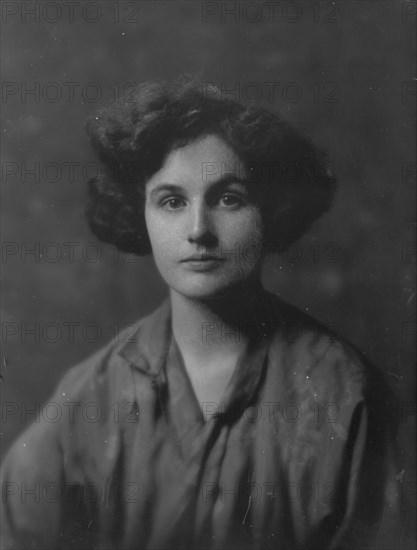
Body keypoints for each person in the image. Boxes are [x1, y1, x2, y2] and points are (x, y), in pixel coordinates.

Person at [1, 78, 399, 550]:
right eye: (171, 201)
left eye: (229, 198)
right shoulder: (89, 396)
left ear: (270, 210)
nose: (198, 231)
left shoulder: (345, 394)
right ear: (138, 214)